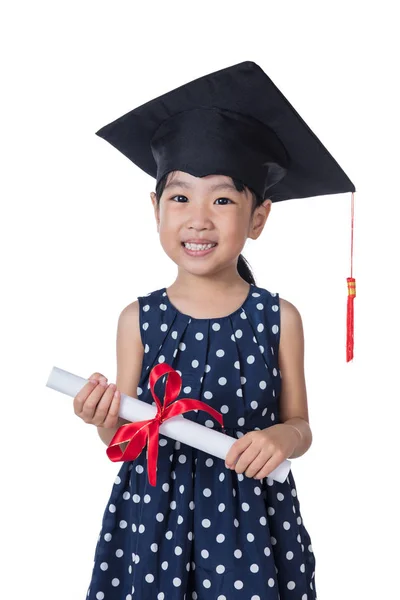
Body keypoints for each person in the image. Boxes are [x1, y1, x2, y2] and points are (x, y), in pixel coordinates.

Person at [74, 61, 354, 599]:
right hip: (152, 521)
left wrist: (281, 437)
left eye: (222, 199)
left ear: (259, 217)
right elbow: (129, 442)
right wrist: (102, 420)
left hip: (251, 522)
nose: (198, 218)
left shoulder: (279, 319)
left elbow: (301, 425)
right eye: (179, 197)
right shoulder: (137, 319)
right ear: (155, 209)